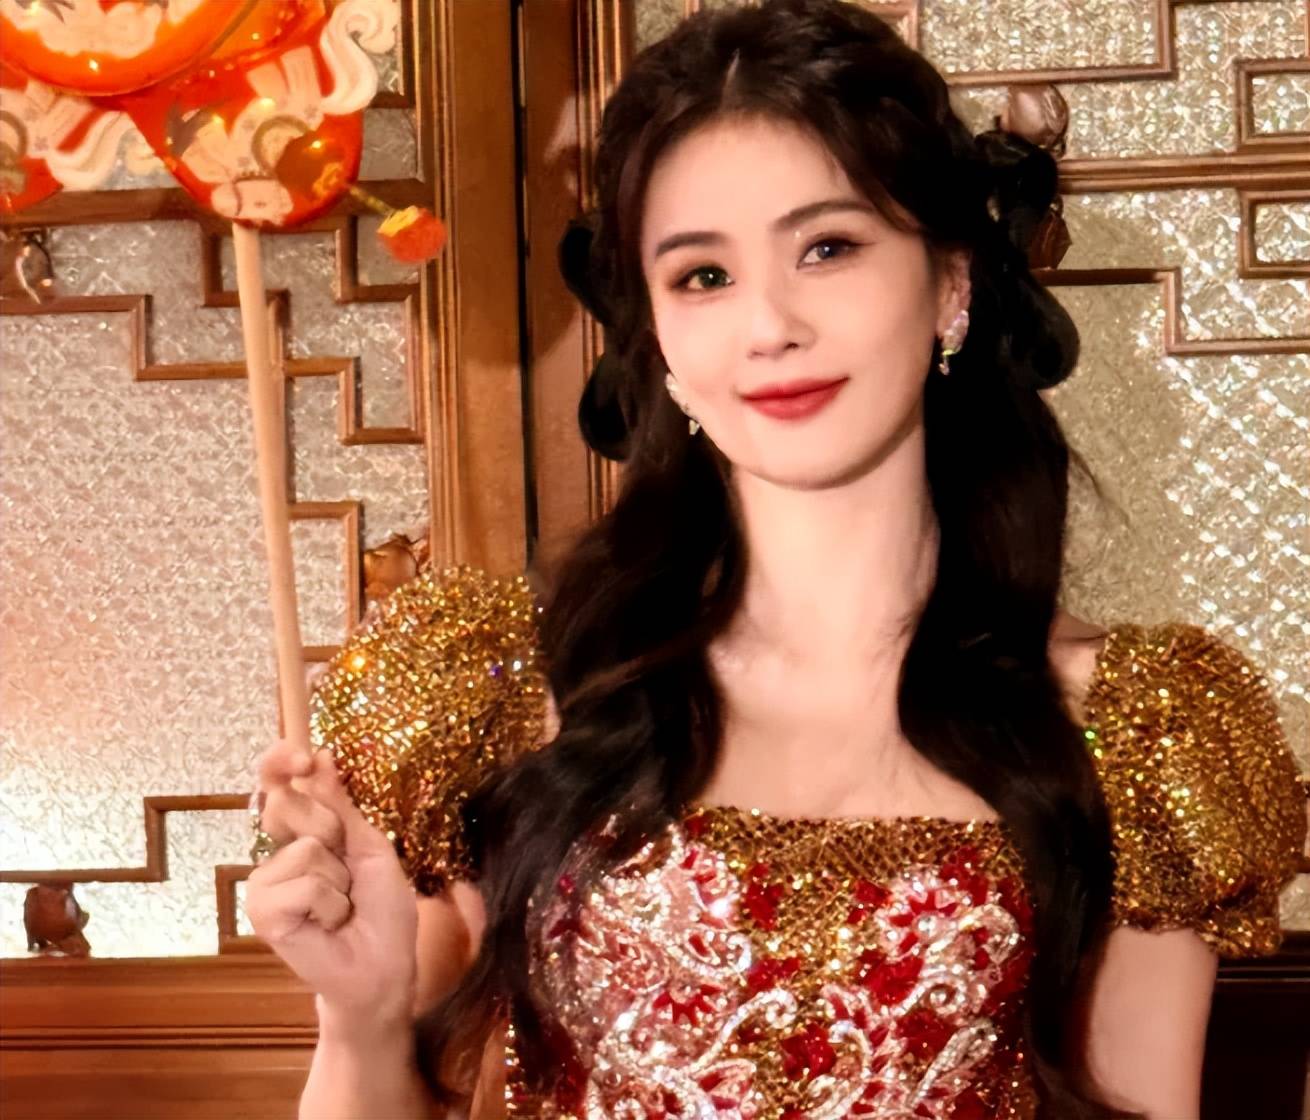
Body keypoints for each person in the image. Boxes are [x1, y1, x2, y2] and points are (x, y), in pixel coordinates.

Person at [245, 1, 1308, 1117]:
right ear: (656, 335)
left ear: (949, 283)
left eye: (827, 247)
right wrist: (359, 1020)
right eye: (702, 275)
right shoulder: (501, 691)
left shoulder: (1139, 726)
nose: (768, 326)